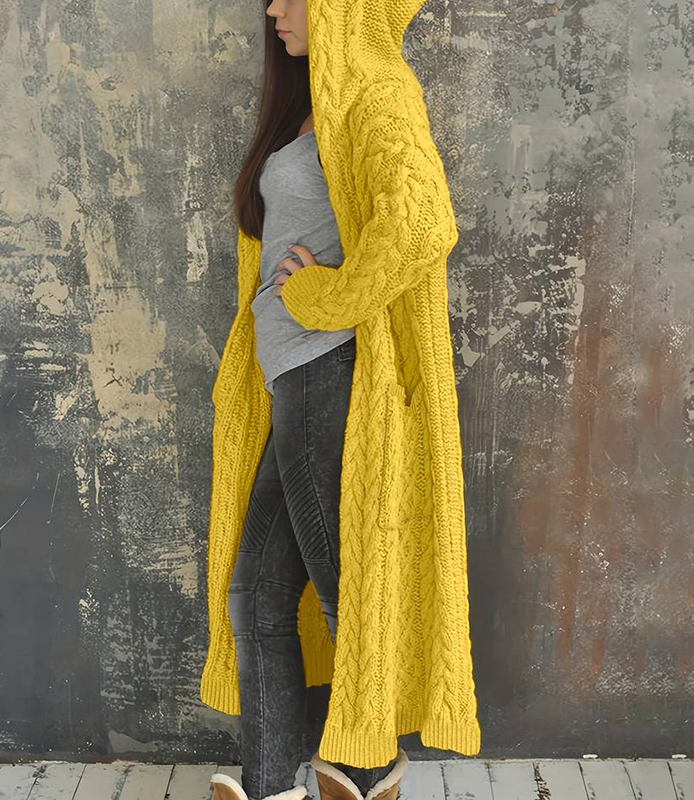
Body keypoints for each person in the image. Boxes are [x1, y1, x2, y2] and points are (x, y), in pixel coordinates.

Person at [203, 0, 481, 797]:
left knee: (344, 589)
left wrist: (323, 297)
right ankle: (273, 784)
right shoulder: (312, 102)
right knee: (258, 591)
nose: (273, 10)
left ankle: (367, 770)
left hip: (331, 370)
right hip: (291, 375)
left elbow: (421, 223)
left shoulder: (377, 92)